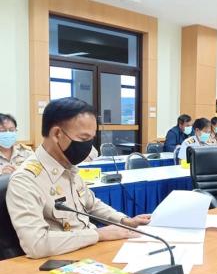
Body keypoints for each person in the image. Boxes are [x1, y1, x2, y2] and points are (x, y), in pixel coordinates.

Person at [6, 97, 150, 259]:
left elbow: (92, 204)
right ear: (57, 134)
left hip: (90, 251)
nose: (89, 147)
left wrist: (124, 221)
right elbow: (36, 244)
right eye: (83, 139)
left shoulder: (69, 167)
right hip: (62, 260)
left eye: (91, 139)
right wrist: (98, 234)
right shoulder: (26, 180)